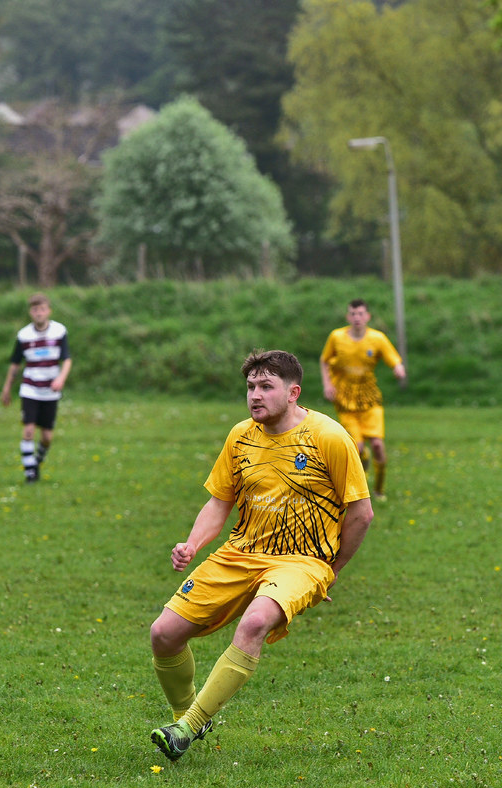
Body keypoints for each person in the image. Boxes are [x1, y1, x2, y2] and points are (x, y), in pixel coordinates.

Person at [148, 349, 373, 761]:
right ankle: (188, 717)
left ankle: (186, 727)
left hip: (301, 562)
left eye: (266, 386)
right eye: (251, 387)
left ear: (293, 393)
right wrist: (192, 544)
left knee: (254, 622)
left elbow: (361, 514)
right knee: (163, 634)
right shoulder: (240, 436)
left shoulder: (329, 437)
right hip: (241, 552)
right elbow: (219, 502)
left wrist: (330, 570)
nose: (255, 395)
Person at [320, 298, 406, 500]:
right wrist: (327, 384)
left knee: (377, 445)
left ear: (367, 316)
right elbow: (324, 360)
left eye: (360, 314)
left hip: (370, 398)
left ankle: (379, 489)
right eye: (353, 313)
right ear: (347, 316)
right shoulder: (337, 337)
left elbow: (393, 358)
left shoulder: (377, 339)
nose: (356, 317)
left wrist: (398, 368)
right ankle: (363, 478)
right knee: (358, 448)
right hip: (345, 399)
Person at [0, 293, 71, 482]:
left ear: (48, 311)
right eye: (35, 310)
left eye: (42, 309)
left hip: (50, 391)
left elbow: (67, 359)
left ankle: (37, 460)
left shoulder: (59, 331)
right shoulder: (24, 335)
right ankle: (30, 473)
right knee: (28, 430)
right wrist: (7, 388)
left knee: (47, 436)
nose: (38, 313)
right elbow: (15, 364)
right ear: (30, 313)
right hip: (30, 388)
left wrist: (61, 379)